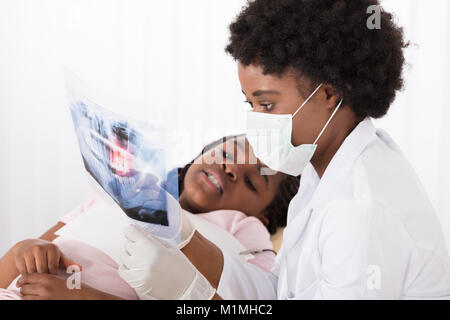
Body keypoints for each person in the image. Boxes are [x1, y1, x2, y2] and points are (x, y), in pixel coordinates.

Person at [118, 0, 450, 300]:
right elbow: (276, 292)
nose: (255, 122)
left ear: (328, 94)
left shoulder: (358, 208)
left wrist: (190, 293)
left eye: (267, 104)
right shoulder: (323, 173)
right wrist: (186, 236)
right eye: (250, 103)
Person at [0, 135, 300, 300]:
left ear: (265, 216)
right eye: (226, 154)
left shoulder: (244, 231)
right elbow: (15, 265)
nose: (231, 169)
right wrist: (25, 250)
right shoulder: (119, 192)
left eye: (251, 182)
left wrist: (81, 297)